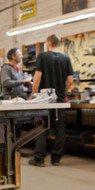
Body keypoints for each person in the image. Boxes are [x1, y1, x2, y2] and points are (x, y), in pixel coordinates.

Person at [29, 34, 74, 167]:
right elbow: (70, 81)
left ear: (48, 43)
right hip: (59, 98)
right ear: (58, 43)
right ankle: (56, 158)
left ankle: (39, 158)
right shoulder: (66, 58)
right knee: (59, 127)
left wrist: (34, 94)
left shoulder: (42, 56)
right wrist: (63, 92)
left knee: (42, 127)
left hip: (44, 98)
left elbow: (37, 78)